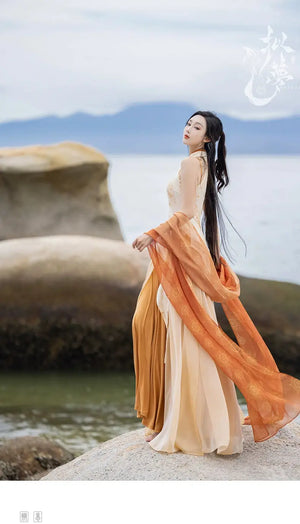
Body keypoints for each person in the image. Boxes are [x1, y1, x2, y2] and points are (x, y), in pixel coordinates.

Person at [131, 111, 300, 456]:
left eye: (197, 127)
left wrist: (152, 234)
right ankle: (175, 417)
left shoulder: (192, 162)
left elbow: (186, 213)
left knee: (181, 330)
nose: (188, 129)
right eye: (188, 123)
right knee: (173, 326)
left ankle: (185, 423)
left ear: (207, 139)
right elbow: (195, 216)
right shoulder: (199, 161)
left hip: (179, 245)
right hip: (182, 245)